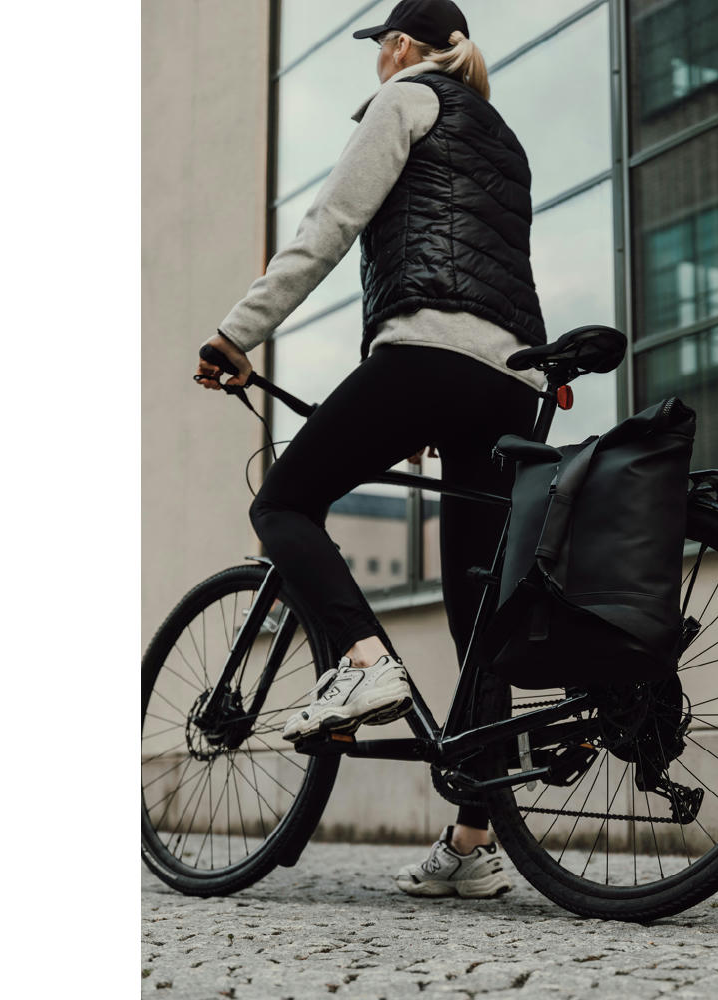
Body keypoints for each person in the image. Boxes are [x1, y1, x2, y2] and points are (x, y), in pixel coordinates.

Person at [195, 0, 546, 900]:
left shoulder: (404, 98)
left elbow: (330, 225)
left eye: (378, 49)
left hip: (429, 353)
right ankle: (474, 840)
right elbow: (490, 267)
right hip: (515, 379)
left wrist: (237, 334)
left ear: (397, 46)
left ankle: (361, 661)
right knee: (476, 612)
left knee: (282, 503)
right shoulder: (504, 137)